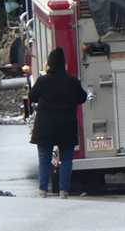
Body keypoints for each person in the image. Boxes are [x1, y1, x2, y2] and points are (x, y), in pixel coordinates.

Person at [29, 47, 88, 198]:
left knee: (44, 158)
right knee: (66, 159)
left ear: (49, 64)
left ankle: (43, 190)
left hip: (45, 126)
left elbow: (33, 97)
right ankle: (64, 191)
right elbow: (82, 98)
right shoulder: (72, 81)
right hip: (66, 125)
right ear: (63, 64)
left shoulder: (43, 81)